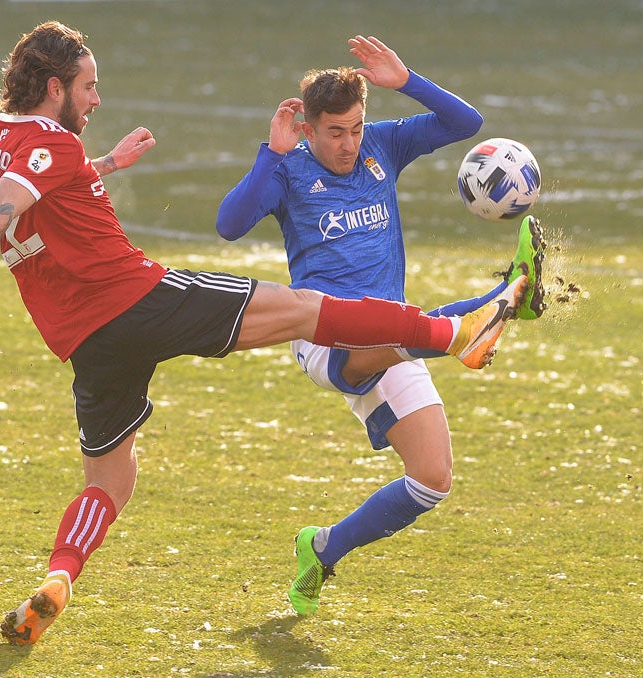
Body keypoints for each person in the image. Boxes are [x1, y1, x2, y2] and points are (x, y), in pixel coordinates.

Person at [0, 22, 529, 645]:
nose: (96, 100)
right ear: (52, 87)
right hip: (139, 298)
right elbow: (5, 206)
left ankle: (59, 577)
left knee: (110, 481)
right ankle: (452, 333)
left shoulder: (2, 141)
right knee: (310, 309)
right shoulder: (47, 143)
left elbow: (40, 184)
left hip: (85, 340)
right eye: (88, 87)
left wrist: (109, 164)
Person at [216, 35, 546, 615]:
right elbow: (229, 225)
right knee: (387, 331)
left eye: (355, 127)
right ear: (309, 128)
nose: (348, 144)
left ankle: (322, 548)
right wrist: (270, 153)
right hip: (322, 336)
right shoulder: (288, 170)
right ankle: (502, 298)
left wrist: (406, 80)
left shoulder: (381, 147)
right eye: (335, 132)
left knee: (432, 479)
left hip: (396, 333)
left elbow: (465, 122)